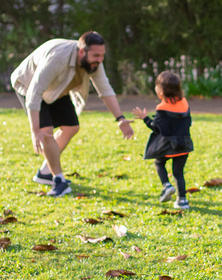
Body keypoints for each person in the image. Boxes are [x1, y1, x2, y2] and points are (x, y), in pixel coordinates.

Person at [11, 32, 134, 197]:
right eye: (96, 55)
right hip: (30, 85)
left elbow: (105, 89)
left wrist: (120, 119)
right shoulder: (58, 58)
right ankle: (59, 180)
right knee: (45, 133)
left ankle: (45, 172)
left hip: (57, 90)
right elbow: (35, 92)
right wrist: (35, 131)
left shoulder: (94, 62)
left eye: (102, 55)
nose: (100, 60)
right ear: (82, 52)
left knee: (71, 127)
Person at [131, 71, 194, 210]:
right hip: (184, 144)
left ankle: (167, 185)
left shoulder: (162, 108)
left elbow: (156, 128)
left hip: (169, 146)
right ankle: (182, 201)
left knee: (159, 163)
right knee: (178, 173)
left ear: (161, 90)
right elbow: (188, 122)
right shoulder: (184, 103)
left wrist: (145, 118)